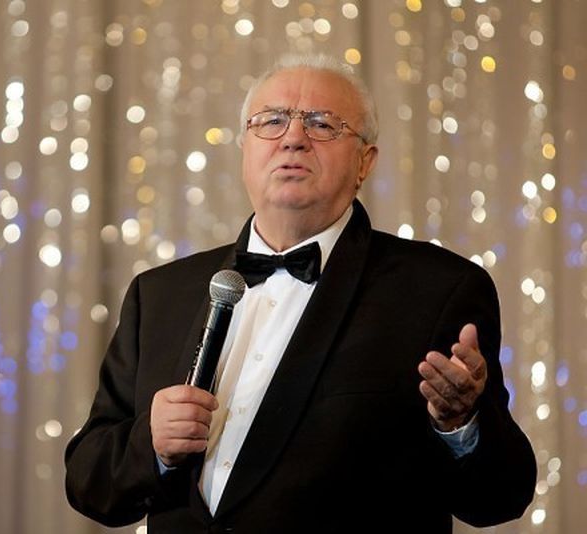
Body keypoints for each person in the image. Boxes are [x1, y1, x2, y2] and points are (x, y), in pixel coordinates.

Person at [65, 53, 536, 533]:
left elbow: (501, 496)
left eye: (322, 124)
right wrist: (151, 445)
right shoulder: (159, 293)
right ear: (245, 149)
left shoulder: (439, 289)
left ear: (365, 162)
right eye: (271, 121)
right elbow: (88, 482)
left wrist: (460, 424)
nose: (292, 138)